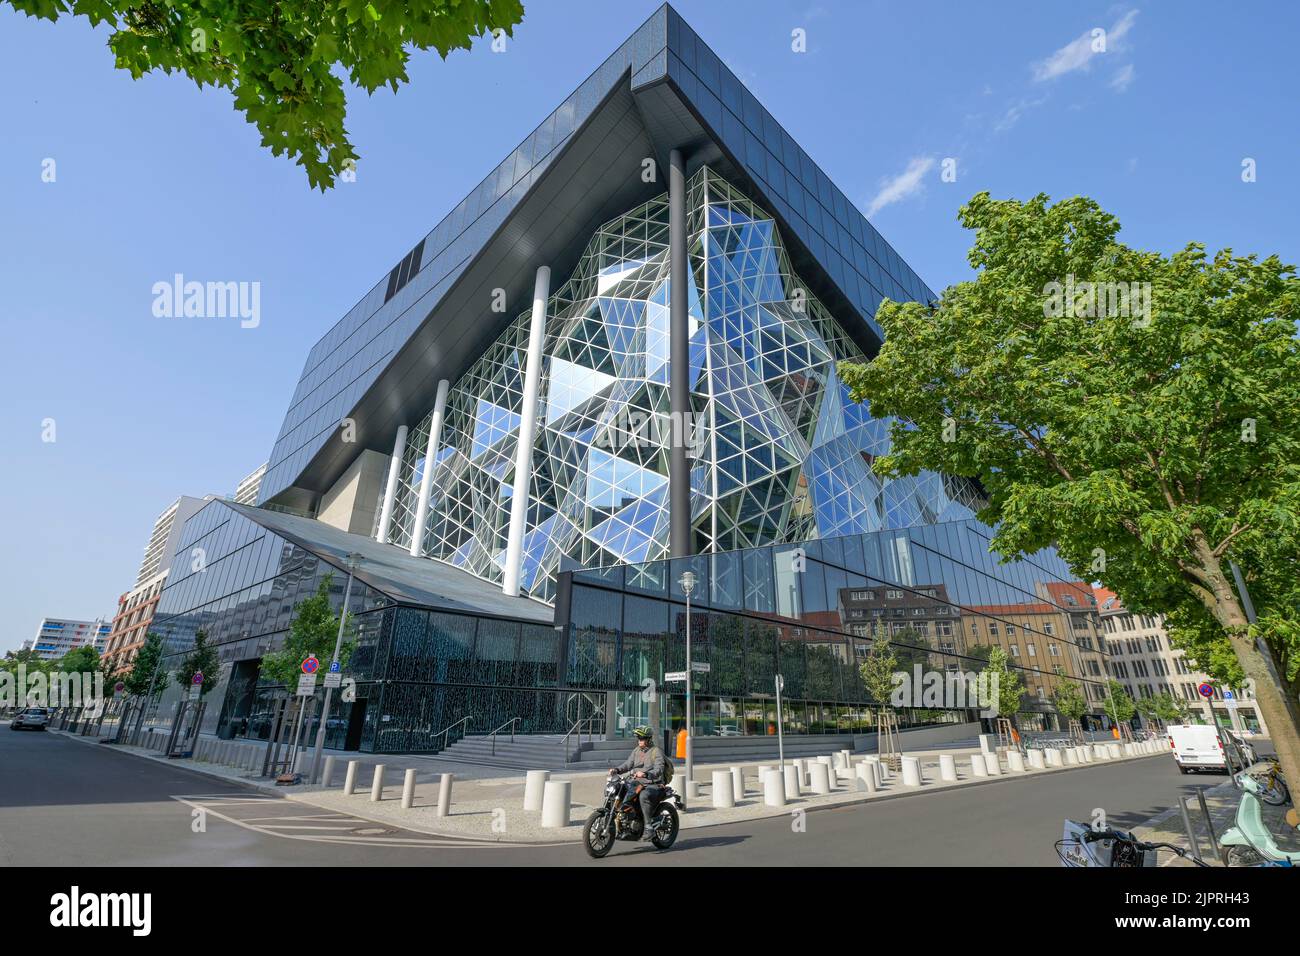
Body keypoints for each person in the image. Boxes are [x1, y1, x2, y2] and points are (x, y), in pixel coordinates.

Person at [611, 725, 666, 838]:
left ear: (649, 739)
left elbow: (659, 769)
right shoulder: (636, 750)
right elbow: (628, 764)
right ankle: (624, 820)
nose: (639, 741)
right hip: (637, 783)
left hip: (653, 784)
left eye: (642, 738)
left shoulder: (656, 751)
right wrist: (617, 770)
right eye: (639, 738)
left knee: (643, 796)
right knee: (618, 789)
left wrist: (646, 774)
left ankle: (648, 827)